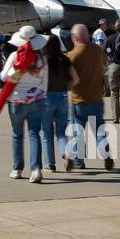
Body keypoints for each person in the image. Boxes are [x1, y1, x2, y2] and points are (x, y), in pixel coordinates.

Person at [1, 25, 48, 182]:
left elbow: (3, 77)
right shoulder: (42, 58)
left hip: (16, 100)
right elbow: (45, 81)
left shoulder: (15, 56)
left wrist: (16, 70)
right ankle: (36, 169)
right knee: (34, 133)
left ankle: (17, 168)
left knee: (17, 134)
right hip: (37, 99)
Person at [65, 24, 113, 172]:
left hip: (78, 100)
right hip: (96, 98)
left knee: (77, 132)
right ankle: (106, 154)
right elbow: (106, 64)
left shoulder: (71, 56)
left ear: (75, 37)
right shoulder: (97, 51)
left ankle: (79, 162)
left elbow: (67, 79)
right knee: (99, 130)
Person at [40, 32, 78, 172]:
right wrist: (65, 87)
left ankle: (50, 164)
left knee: (46, 133)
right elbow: (75, 79)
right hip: (62, 96)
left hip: (46, 97)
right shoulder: (64, 59)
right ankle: (65, 153)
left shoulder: (43, 60)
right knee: (61, 132)